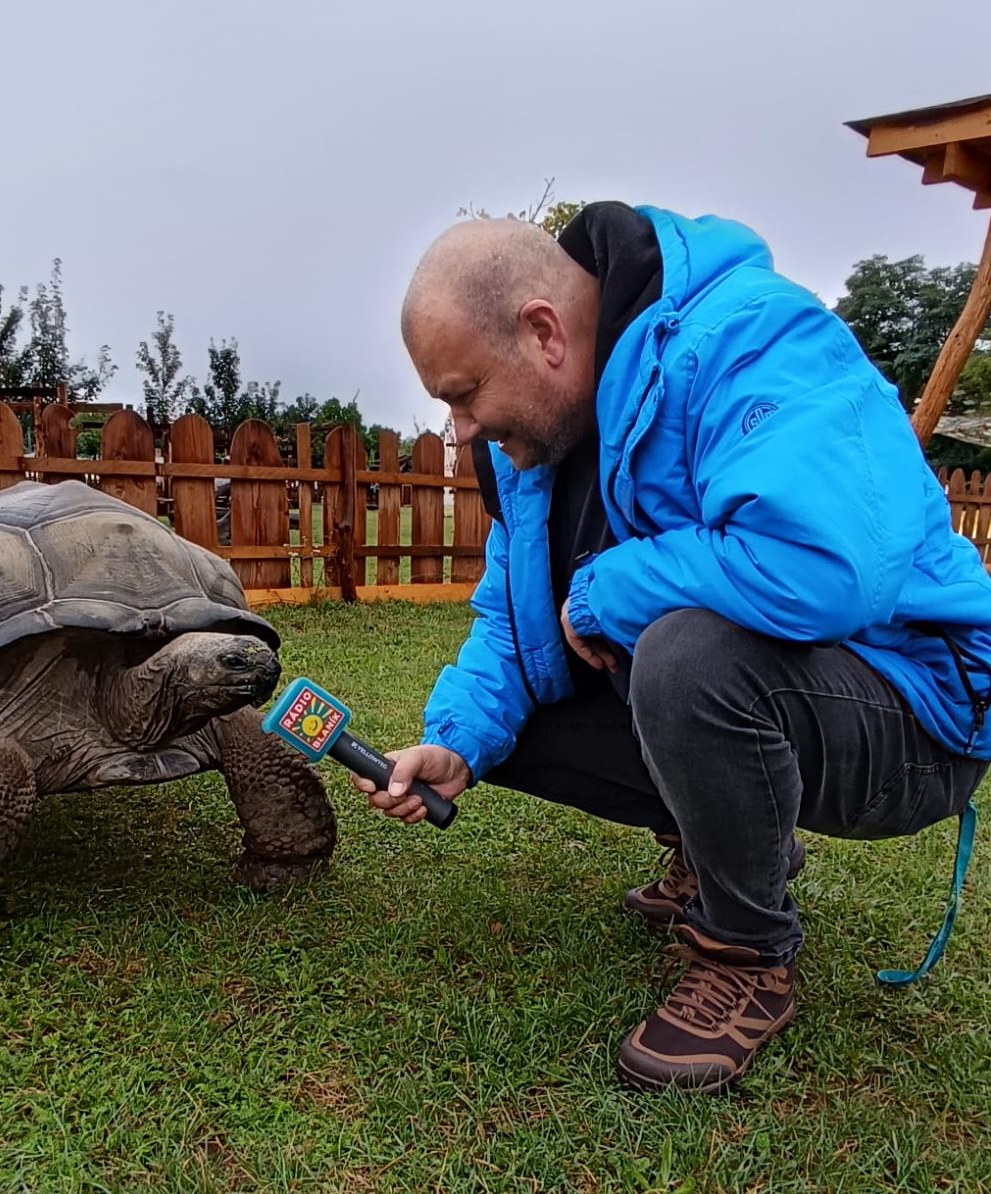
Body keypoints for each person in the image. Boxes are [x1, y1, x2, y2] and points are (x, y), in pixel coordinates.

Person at [352, 202, 991, 1094]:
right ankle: (717, 847)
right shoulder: (532, 446)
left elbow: (821, 569)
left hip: (915, 711)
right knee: (519, 720)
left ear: (544, 333)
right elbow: (513, 621)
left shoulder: (754, 339)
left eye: (464, 393)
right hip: (775, 700)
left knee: (685, 652)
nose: (459, 430)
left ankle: (748, 954)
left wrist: (606, 589)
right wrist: (454, 738)